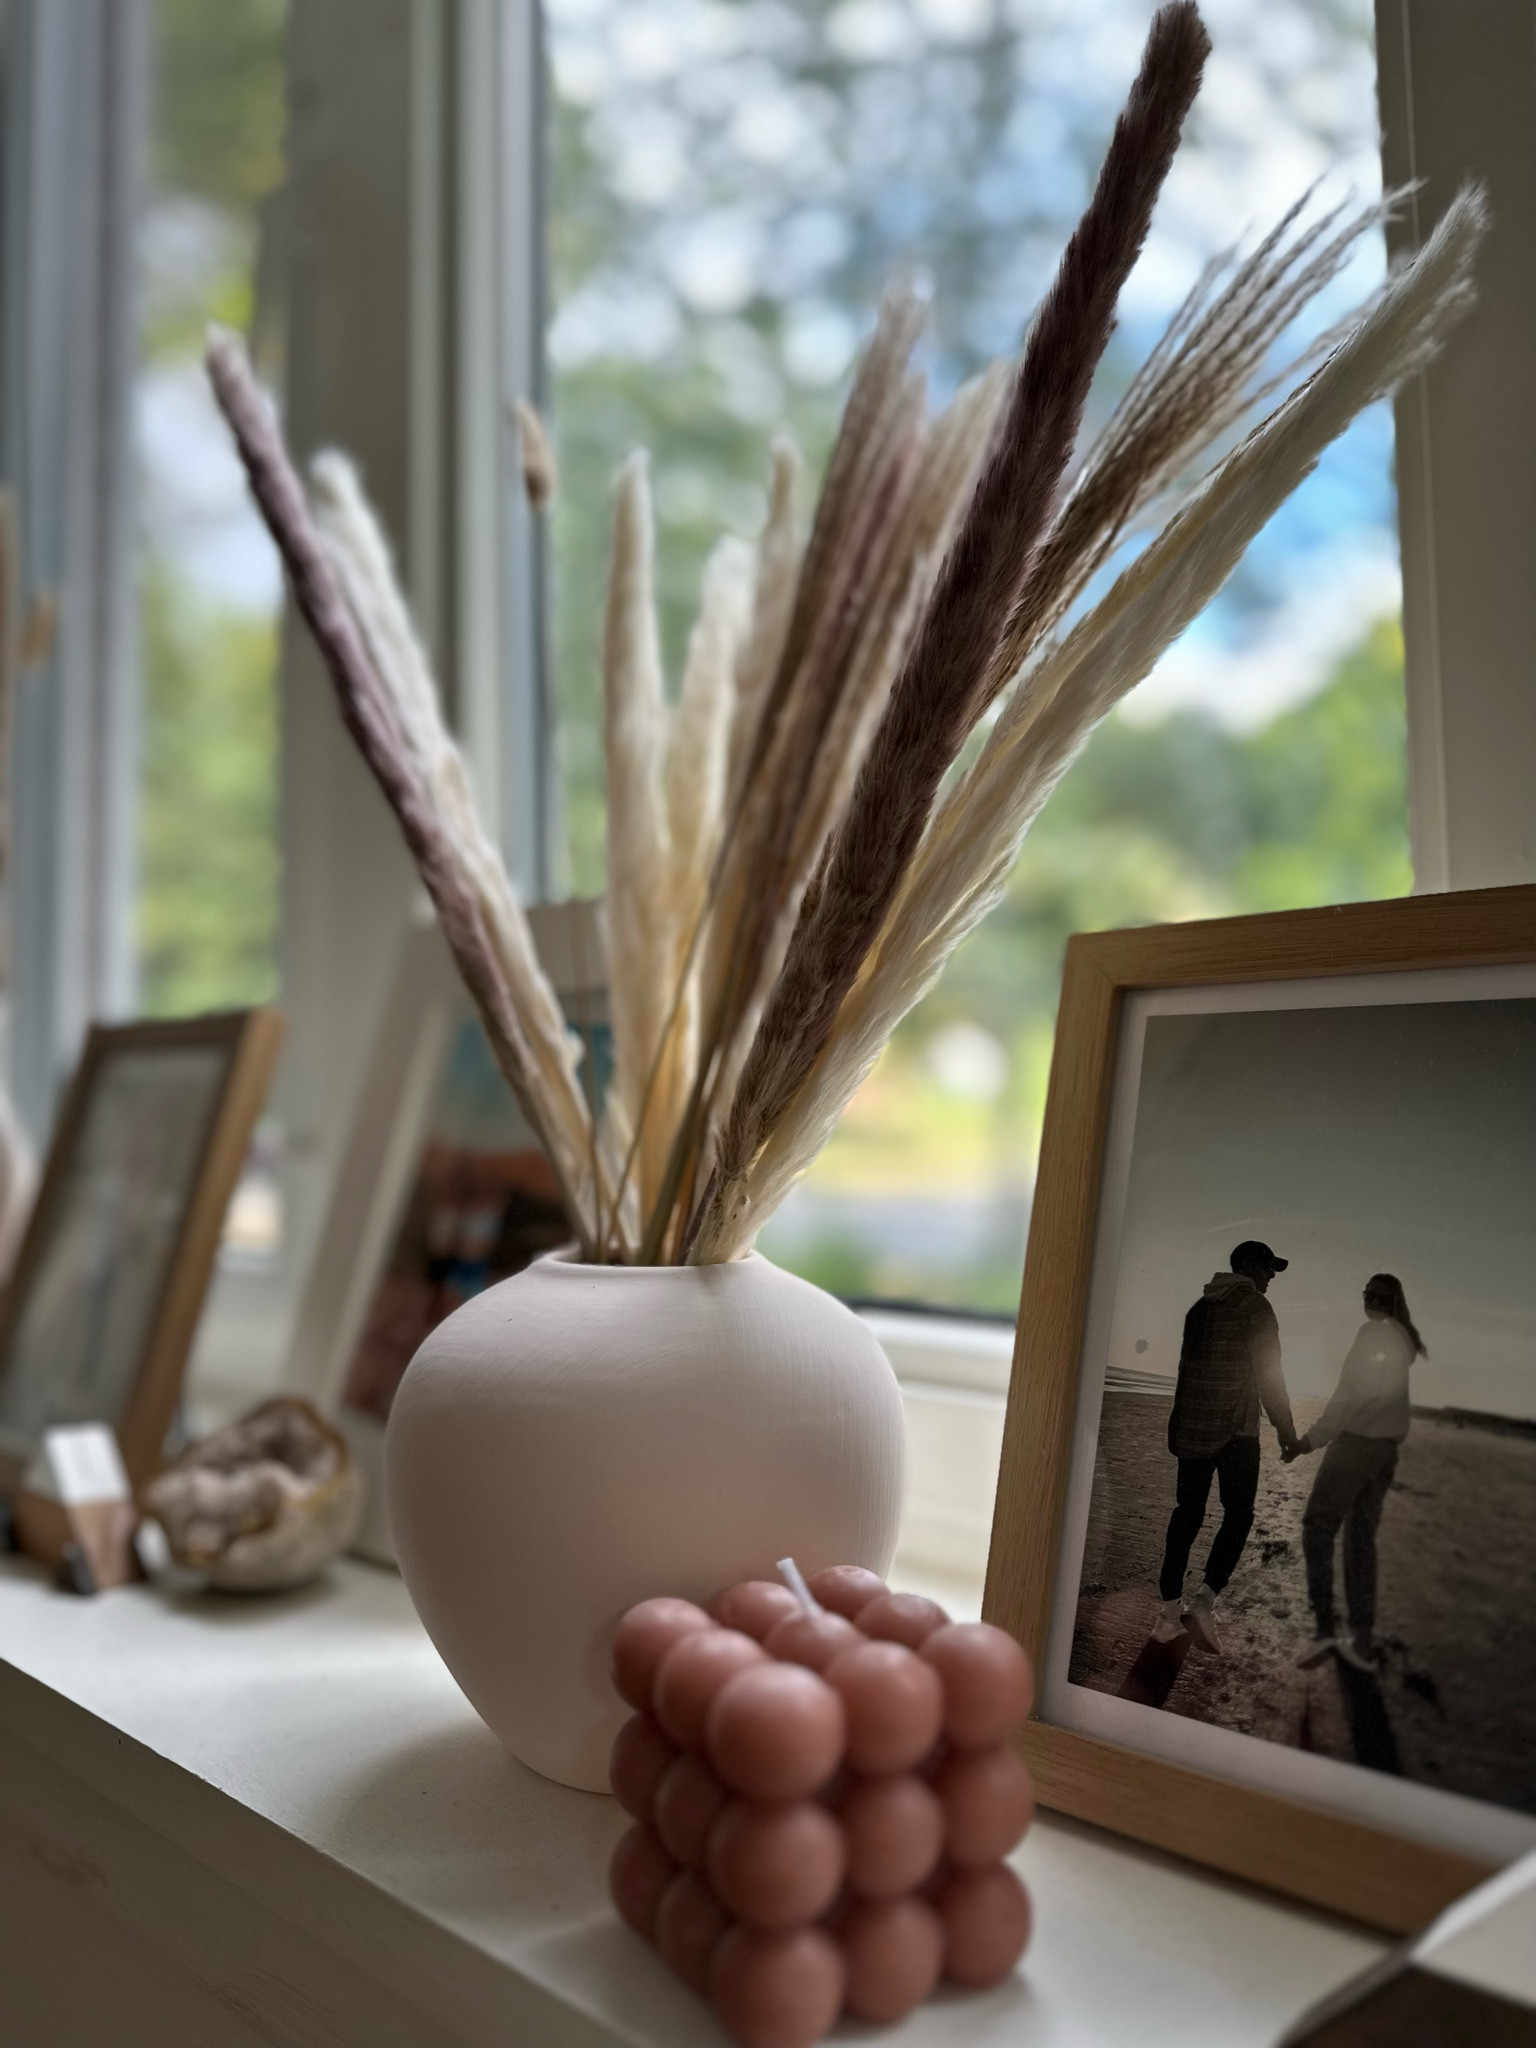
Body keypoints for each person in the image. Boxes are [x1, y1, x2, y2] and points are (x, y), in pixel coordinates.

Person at [1153, 1240, 1299, 1655]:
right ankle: (1202, 1605)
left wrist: (1181, 1428)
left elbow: (1188, 1372)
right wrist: (1285, 1431)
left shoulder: (1200, 1308)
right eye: (1269, 1267)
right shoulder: (1254, 1307)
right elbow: (1269, 1374)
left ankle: (1167, 1615)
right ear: (1250, 1266)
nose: (1271, 1276)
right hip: (1236, 1432)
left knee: (1186, 1516)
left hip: (1193, 1430)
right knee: (1238, 1516)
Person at [1287, 1272, 1424, 1672]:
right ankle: (1362, 1641)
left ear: (1391, 1301)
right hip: (1386, 1453)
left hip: (1357, 1445)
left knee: (1317, 1525)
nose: (1370, 1300)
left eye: (1378, 1296)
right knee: (1361, 1541)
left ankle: (1325, 1629)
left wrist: (1308, 1441)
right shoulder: (1403, 1339)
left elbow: (1348, 1395)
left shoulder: (1374, 1333)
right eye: (1367, 1293)